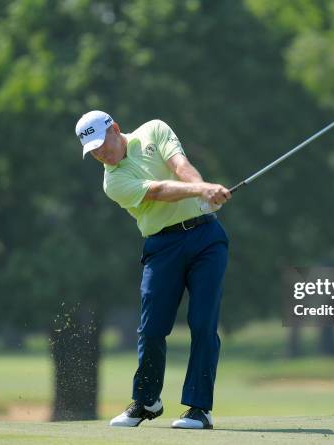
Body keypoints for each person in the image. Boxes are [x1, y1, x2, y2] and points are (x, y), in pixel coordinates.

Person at [75, 110, 231, 429]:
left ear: (115, 129)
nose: (100, 154)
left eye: (101, 144)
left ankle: (199, 409)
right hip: (162, 247)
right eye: (92, 152)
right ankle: (147, 401)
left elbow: (179, 166)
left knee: (203, 323)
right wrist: (203, 191)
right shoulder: (113, 181)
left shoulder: (154, 130)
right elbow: (158, 190)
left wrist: (205, 191)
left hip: (206, 240)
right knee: (152, 327)